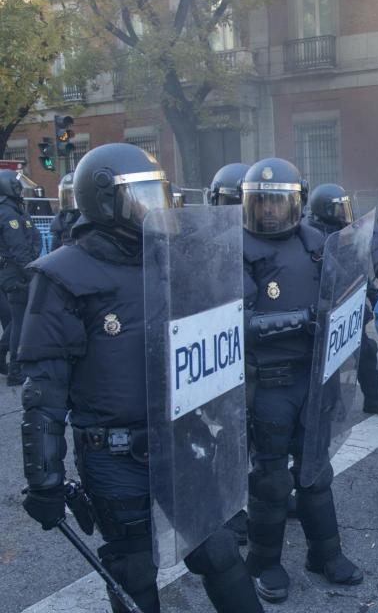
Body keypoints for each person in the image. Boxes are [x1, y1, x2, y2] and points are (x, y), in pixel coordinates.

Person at [17, 144, 263, 613]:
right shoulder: (63, 277)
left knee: (219, 551)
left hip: (184, 439)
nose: (154, 209)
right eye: (140, 197)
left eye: (159, 195)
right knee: (132, 572)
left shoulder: (177, 260)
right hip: (114, 453)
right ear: (104, 200)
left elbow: (214, 346)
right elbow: (43, 391)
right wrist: (44, 478)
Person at [242, 159, 363, 602]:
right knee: (271, 479)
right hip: (268, 383)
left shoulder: (317, 243)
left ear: (296, 202)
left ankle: (324, 553)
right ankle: (264, 561)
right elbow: (236, 323)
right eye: (261, 202)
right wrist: (304, 320)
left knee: (315, 471)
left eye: (278, 203)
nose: (270, 212)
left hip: (313, 377)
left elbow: (345, 291)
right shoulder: (239, 247)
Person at [305, 183, 378, 416]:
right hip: (325, 309)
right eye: (338, 209)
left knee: (366, 351)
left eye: (345, 207)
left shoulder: (346, 233)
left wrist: (373, 293)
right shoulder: (311, 236)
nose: (344, 214)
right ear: (324, 209)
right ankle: (331, 404)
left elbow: (358, 268)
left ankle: (373, 398)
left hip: (349, 306)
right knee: (327, 363)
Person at [0, 170, 42, 385]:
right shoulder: (8, 215)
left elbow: (34, 236)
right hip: (15, 274)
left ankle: (11, 362)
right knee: (19, 321)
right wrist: (30, 271)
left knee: (19, 319)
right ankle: (16, 370)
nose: (20, 189)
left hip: (19, 271)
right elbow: (18, 248)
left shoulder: (16, 211)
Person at [49, 172, 80, 251]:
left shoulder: (89, 217)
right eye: (67, 194)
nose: (70, 198)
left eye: (72, 194)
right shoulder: (60, 220)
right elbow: (54, 250)